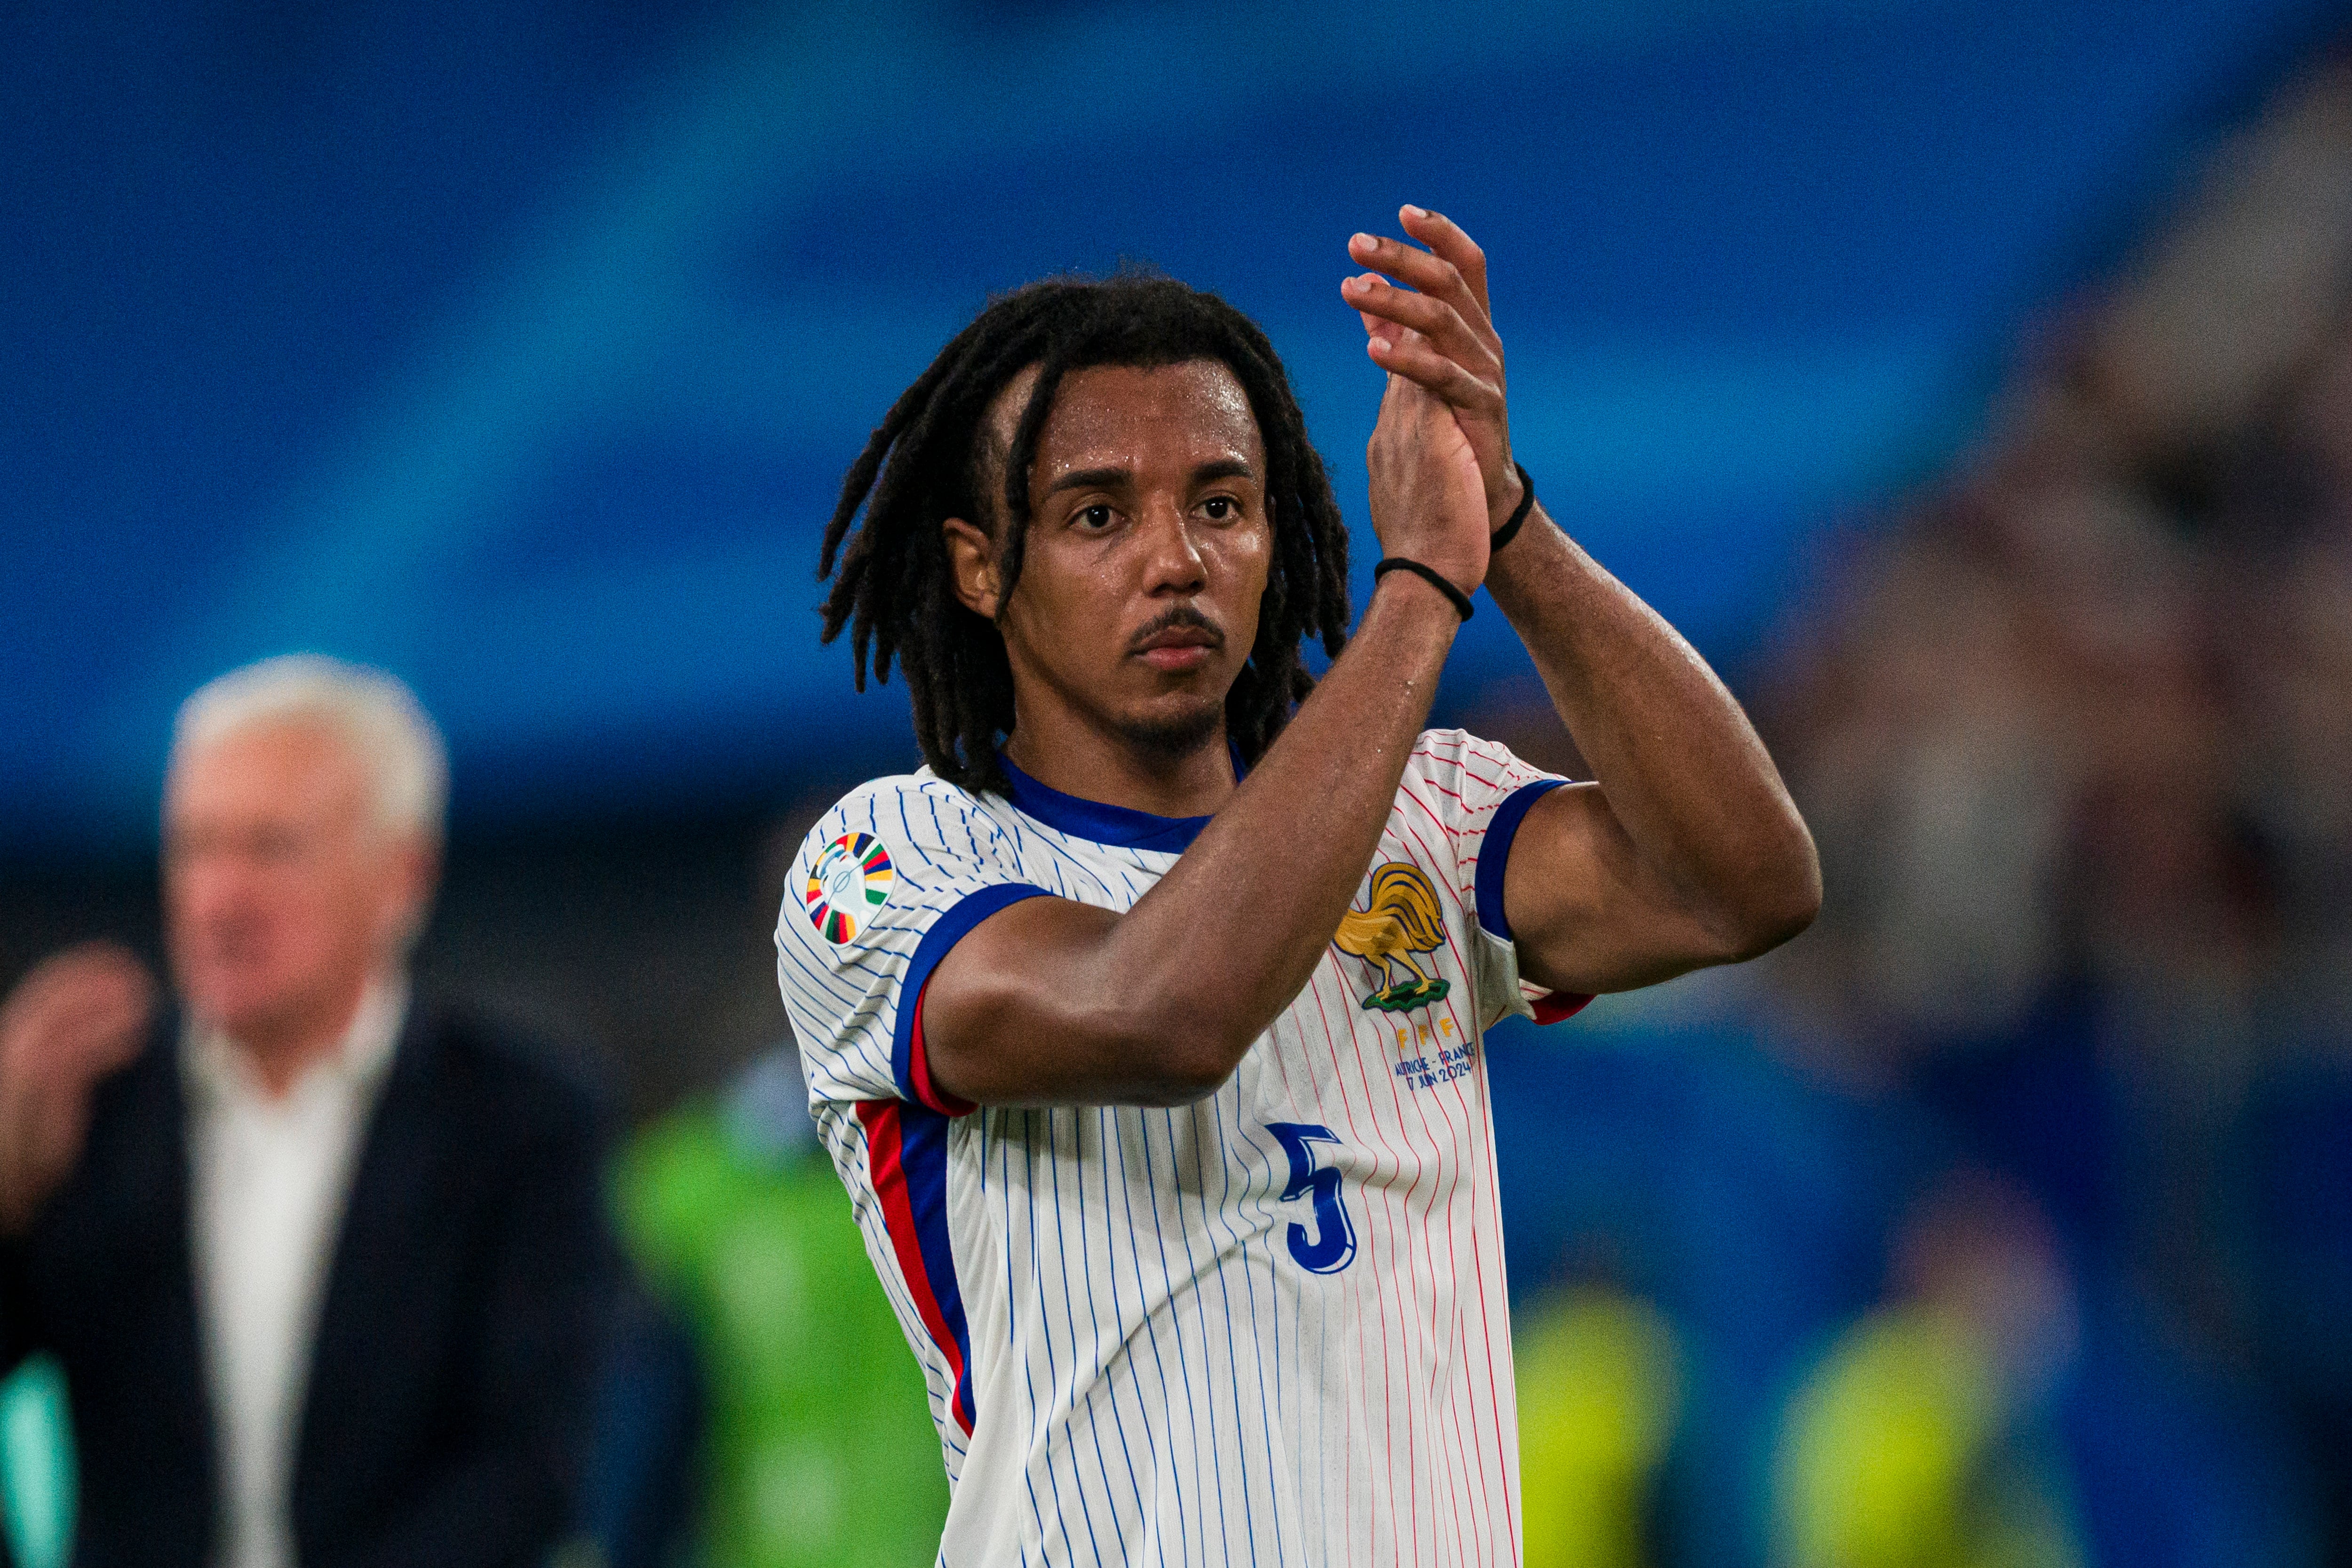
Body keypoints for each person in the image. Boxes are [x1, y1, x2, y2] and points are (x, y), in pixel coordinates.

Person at [776, 207, 1821, 1563]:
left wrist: (1508, 524)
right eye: (1099, 513)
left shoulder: (1428, 815)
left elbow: (1746, 885)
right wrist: (1420, 594)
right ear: (980, 566)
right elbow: (1164, 1012)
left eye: (1222, 502)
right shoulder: (886, 863)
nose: (1179, 559)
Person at [0, 656, 615, 1568]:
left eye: (271, 846)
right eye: (196, 846)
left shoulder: (518, 1117)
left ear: (402, 872)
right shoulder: (93, 1108)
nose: (220, 896)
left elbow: (538, 1461)